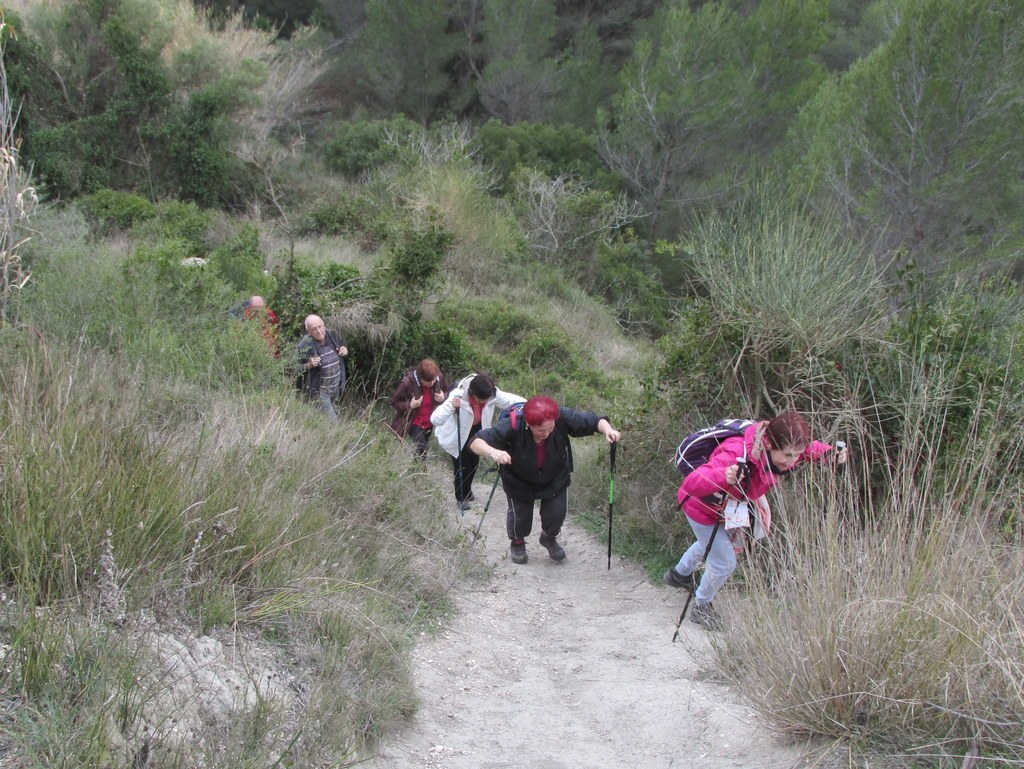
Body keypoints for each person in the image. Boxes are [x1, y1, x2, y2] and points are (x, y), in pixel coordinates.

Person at [663, 411, 848, 630]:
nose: (792, 462)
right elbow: (691, 484)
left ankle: (678, 575)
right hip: (701, 508)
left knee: (715, 546)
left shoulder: (782, 444)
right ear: (769, 444)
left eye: (796, 455)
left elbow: (808, 449)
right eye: (787, 455)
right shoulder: (735, 452)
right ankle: (701, 606)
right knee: (725, 562)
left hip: (728, 504)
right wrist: (724, 475)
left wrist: (829, 454)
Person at [468, 395, 621, 564]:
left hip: (554, 477)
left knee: (557, 514)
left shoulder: (561, 417)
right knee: (520, 518)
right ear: (528, 423)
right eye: (541, 431)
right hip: (519, 480)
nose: (547, 433)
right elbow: (475, 442)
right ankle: (517, 543)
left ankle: (549, 538)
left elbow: (595, 421)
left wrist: (608, 430)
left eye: (550, 429)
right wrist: (494, 452)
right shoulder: (512, 425)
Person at [431, 373, 524, 511]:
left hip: (476, 433)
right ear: (472, 394)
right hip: (457, 435)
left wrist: (531, 406)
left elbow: (513, 400)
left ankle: (467, 491)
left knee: (474, 464)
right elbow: (435, 419)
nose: (486, 403)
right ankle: (461, 497)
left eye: (487, 400)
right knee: (462, 466)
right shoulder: (458, 394)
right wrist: (451, 405)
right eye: (482, 400)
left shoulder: (491, 394)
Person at [389, 359, 448, 459]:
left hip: (429, 422)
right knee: (422, 447)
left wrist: (443, 397)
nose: (432, 383)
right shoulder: (408, 382)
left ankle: (415, 470)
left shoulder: (438, 378)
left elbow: (448, 393)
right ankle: (422, 472)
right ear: (420, 378)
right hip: (413, 421)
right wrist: (410, 405)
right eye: (428, 381)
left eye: (434, 380)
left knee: (421, 449)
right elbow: (394, 402)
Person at [296, 314, 348, 423]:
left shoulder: (332, 335)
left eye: (320, 326)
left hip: (335, 389)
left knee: (322, 419)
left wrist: (345, 350)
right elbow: (294, 369)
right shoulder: (305, 344)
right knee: (333, 423)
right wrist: (309, 365)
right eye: (314, 329)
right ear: (308, 332)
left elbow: (343, 347)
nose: (319, 331)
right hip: (320, 392)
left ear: (324, 325)